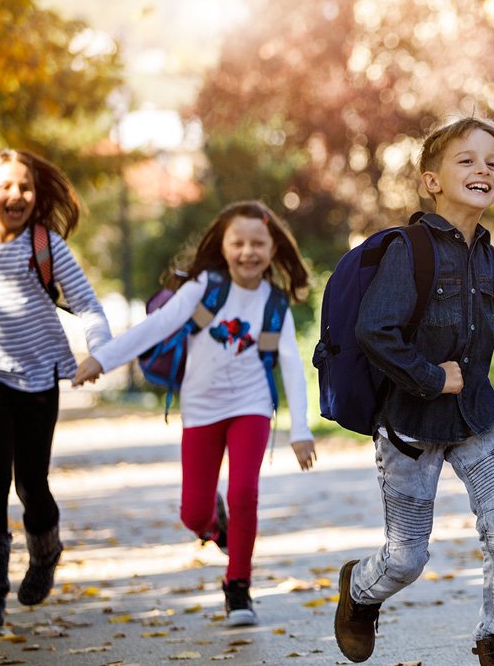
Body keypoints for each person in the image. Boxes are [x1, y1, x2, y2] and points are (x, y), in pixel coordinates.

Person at [332, 116, 494, 666]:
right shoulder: (409, 250)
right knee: (406, 559)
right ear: (431, 181)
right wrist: (431, 375)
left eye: (493, 162)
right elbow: (375, 331)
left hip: (475, 422)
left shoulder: (493, 261)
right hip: (410, 429)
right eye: (467, 160)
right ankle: (360, 592)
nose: (483, 169)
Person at [72, 200, 316, 627]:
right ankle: (217, 529)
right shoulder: (204, 287)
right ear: (222, 247)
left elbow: (292, 365)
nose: (248, 252)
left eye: (258, 243)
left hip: (251, 407)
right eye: (237, 243)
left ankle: (238, 585)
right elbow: (156, 326)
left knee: (244, 493)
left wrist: (300, 430)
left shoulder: (273, 302)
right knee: (193, 514)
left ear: (273, 248)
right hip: (201, 410)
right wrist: (103, 359)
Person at [0, 149, 113, 627]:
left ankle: (45, 553)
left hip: (40, 376)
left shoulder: (44, 245)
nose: (16, 195)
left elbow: (87, 303)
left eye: (25, 186)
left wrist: (97, 352)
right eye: (5, 186)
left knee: (31, 482)